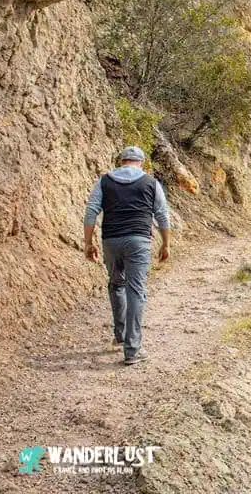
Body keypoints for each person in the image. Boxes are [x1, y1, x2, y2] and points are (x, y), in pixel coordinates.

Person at [83, 146, 170, 365]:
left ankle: (120, 335)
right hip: (139, 241)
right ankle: (132, 349)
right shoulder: (150, 182)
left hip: (111, 240)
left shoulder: (104, 180)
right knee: (136, 289)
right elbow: (161, 214)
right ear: (141, 162)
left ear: (122, 161)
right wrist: (166, 244)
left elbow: (91, 211)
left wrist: (88, 243)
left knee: (116, 284)